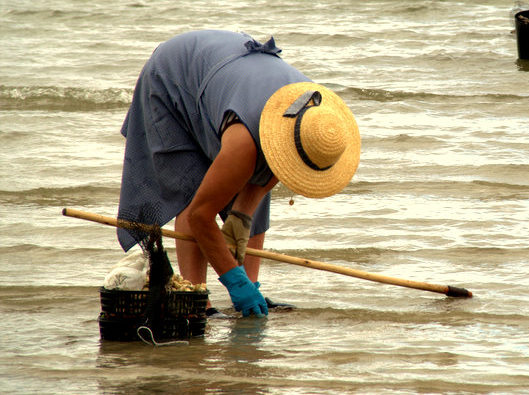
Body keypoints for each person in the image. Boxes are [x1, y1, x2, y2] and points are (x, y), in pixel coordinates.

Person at [116, 30, 361, 318]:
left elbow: (276, 167)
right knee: (195, 193)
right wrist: (234, 280)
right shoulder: (244, 145)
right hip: (176, 76)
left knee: (254, 191)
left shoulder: (312, 115)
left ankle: (251, 287)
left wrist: (242, 216)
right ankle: (198, 301)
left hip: (230, 76)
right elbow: (199, 215)